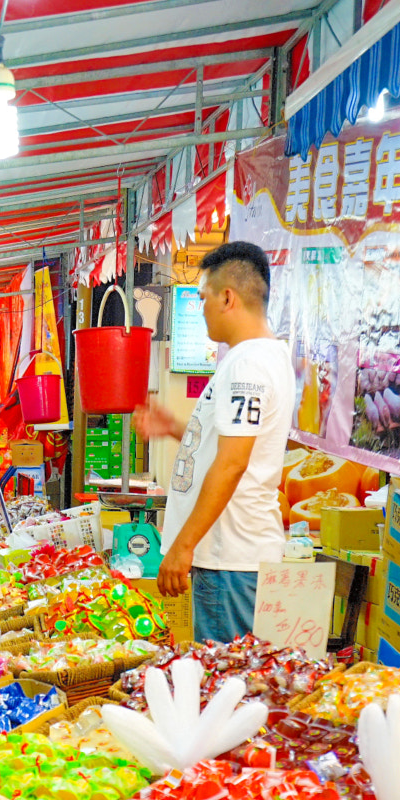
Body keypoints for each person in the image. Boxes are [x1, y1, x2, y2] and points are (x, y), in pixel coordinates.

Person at [132, 241, 294, 644]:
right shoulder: (250, 359)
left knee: (229, 686)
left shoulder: (249, 365)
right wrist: (175, 427)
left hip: (229, 560)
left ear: (227, 297)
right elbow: (231, 443)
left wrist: (184, 546)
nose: (199, 306)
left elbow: (233, 463)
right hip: (230, 560)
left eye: (202, 296)